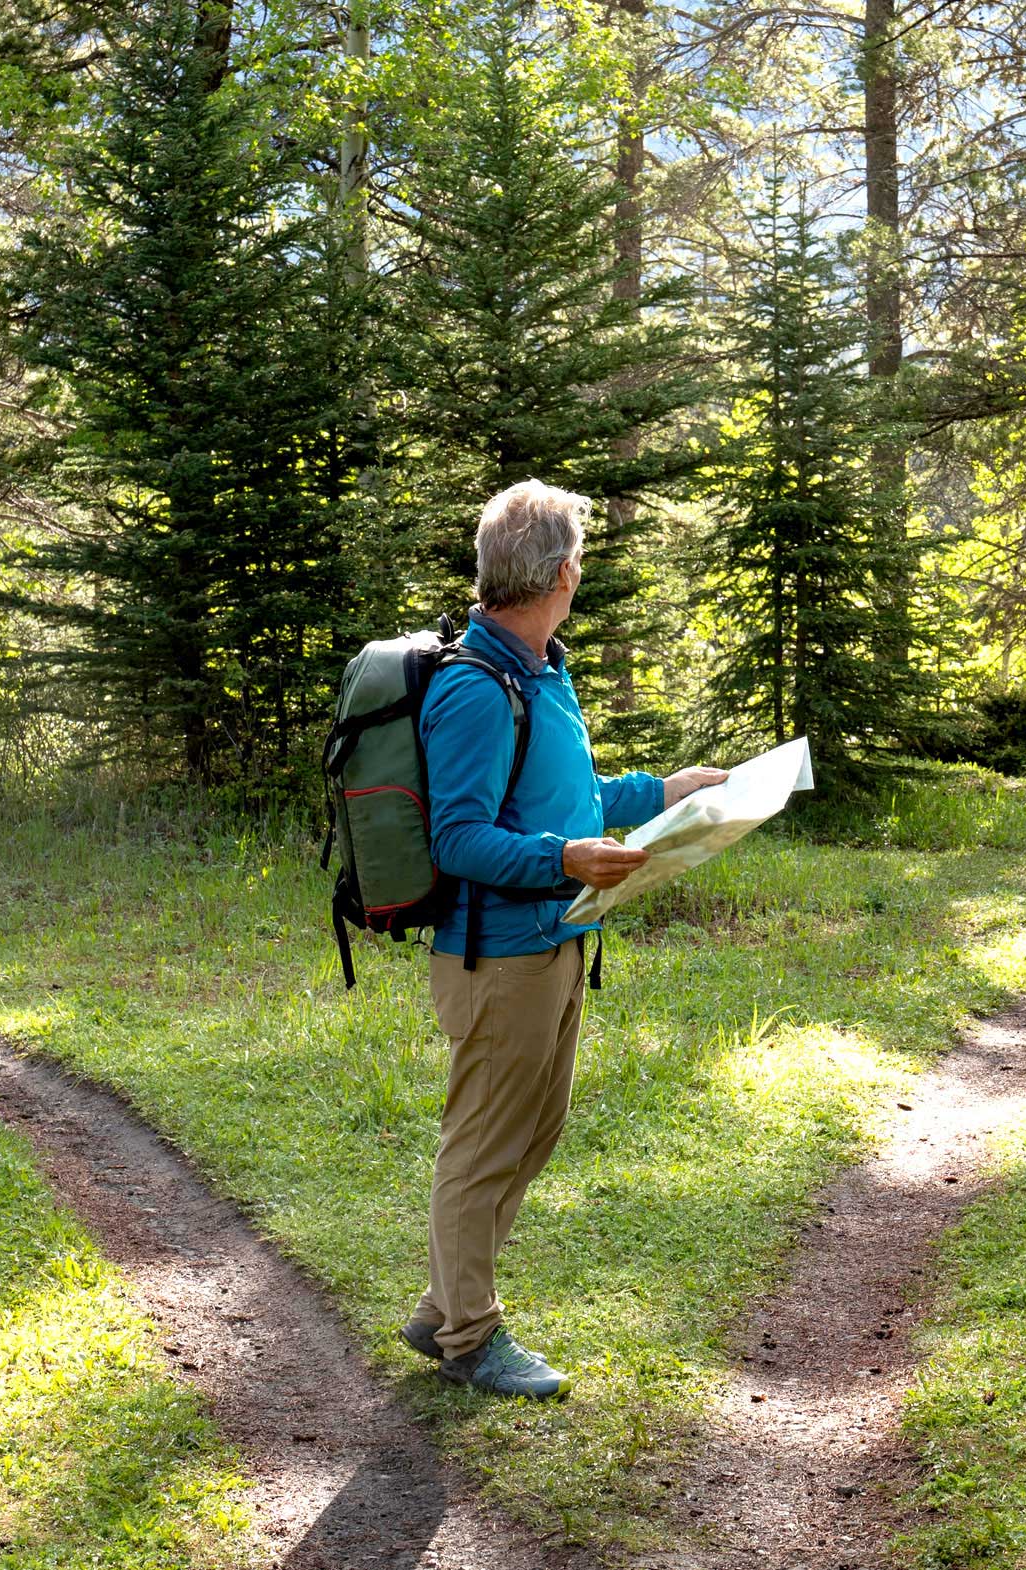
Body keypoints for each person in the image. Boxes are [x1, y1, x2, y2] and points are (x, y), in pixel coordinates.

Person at [397, 479, 727, 1400]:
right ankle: (470, 1335)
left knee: (533, 1133)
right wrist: (567, 859)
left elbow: (569, 796)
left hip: (555, 941)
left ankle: (442, 1306)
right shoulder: (476, 685)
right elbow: (457, 838)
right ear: (563, 572)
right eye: (582, 557)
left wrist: (666, 790)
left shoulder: (541, 669)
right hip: (496, 956)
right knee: (483, 1147)